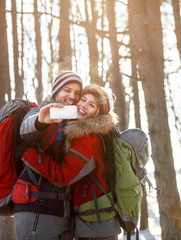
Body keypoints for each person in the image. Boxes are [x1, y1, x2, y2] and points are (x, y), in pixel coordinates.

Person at [21, 84, 122, 240]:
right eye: (83, 100)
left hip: (94, 225)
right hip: (99, 221)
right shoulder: (101, 134)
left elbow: (63, 175)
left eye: (91, 105)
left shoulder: (87, 139)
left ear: (98, 113)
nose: (83, 106)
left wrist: (27, 153)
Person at [13, 70, 83, 240]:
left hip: (61, 212)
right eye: (67, 90)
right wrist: (40, 121)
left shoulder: (72, 121)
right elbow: (26, 130)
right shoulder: (39, 113)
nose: (72, 96)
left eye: (77, 93)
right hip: (37, 211)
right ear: (56, 91)